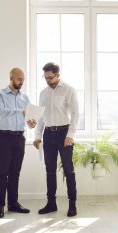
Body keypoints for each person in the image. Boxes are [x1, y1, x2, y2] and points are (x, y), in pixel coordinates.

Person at [33, 62, 79, 217]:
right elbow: (40, 116)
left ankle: (72, 204)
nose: (47, 80)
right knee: (50, 171)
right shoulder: (43, 93)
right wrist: (37, 136)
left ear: (58, 75)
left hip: (63, 133)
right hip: (48, 134)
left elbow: (76, 114)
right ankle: (51, 203)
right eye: (45, 77)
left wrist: (70, 135)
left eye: (50, 77)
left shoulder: (68, 90)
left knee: (68, 170)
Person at [0, 67, 37, 218]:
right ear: (11, 77)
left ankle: (13, 203)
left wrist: (31, 123)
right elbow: (1, 111)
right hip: (3, 137)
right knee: (2, 173)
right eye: (19, 79)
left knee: (15, 173)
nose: (21, 82)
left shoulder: (25, 98)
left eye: (23, 80)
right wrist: (21, 111)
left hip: (19, 137)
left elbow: (28, 117)